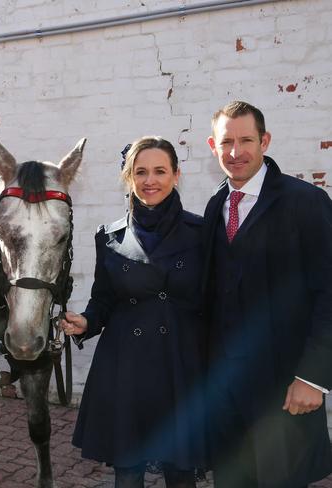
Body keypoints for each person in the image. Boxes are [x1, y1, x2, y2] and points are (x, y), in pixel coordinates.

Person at [61, 137, 207, 488]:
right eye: (140, 172)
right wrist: (87, 321)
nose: (150, 180)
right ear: (128, 178)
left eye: (159, 171)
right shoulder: (108, 237)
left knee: (181, 470)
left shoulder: (202, 232)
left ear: (176, 174)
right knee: (127, 471)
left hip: (180, 363)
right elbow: (104, 299)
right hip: (126, 363)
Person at [203, 100, 332, 487]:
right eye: (227, 142)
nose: (235, 152)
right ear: (213, 146)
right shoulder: (215, 208)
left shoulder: (306, 203)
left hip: (285, 390)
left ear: (265, 141)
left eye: (246, 140)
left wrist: (313, 376)